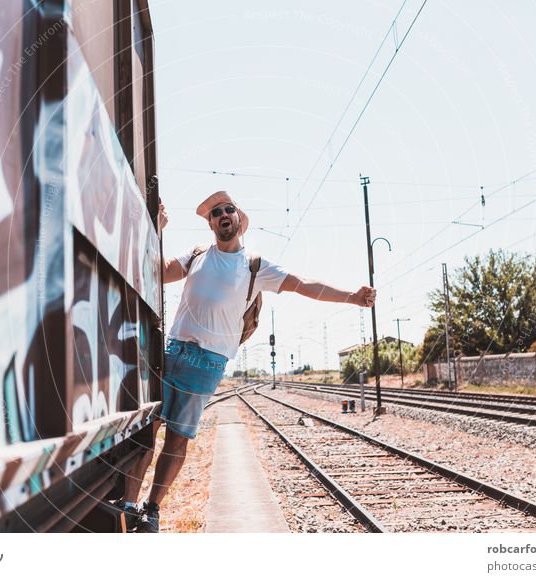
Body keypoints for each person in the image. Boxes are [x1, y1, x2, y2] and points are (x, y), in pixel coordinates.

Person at [111, 191, 376, 532]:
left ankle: (152, 510)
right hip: (173, 351)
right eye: (215, 212)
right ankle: (129, 506)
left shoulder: (255, 266)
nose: (222, 214)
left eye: (228, 209)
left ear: (238, 218)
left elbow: (303, 284)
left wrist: (351, 298)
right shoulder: (196, 255)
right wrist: (156, 231)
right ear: (210, 224)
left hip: (207, 362)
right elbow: (160, 272)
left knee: (177, 439)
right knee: (148, 431)